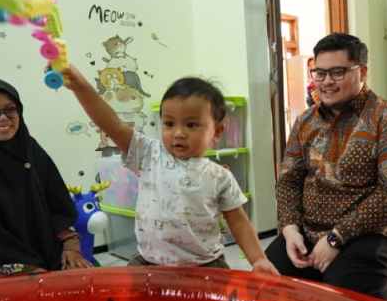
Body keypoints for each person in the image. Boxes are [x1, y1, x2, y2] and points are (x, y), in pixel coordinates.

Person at [63, 68, 278, 274]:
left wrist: (259, 259)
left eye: (191, 125)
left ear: (217, 131)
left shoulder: (219, 176)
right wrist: (81, 87)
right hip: (149, 262)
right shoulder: (148, 154)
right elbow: (112, 125)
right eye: (169, 123)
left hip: (205, 265)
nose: (178, 133)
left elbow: (239, 221)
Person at [267, 33, 387, 301]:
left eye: (337, 72)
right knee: (267, 283)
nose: (325, 82)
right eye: (319, 73)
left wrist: (337, 238)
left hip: (370, 234)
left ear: (362, 72)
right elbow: (289, 180)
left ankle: (382, 285)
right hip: (308, 231)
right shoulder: (305, 121)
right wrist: (290, 229)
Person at [0, 78, 91, 282]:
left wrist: (70, 244)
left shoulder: (30, 150)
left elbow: (57, 203)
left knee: (84, 285)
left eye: (10, 109)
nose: (3, 117)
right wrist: (26, 267)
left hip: (43, 248)